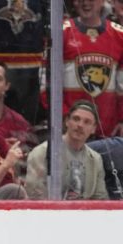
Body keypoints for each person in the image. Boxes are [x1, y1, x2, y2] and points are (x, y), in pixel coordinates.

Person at [25, 100, 109, 200]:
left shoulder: (96, 159)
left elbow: (100, 199)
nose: (80, 125)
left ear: (93, 128)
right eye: (76, 119)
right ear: (67, 121)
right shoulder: (43, 152)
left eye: (87, 122)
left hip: (85, 213)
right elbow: (35, 195)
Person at [62, 0, 123, 137]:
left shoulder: (120, 35)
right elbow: (47, 85)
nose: (85, 3)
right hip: (69, 129)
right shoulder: (61, 33)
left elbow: (122, 86)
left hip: (108, 131)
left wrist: (122, 119)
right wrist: (64, 117)